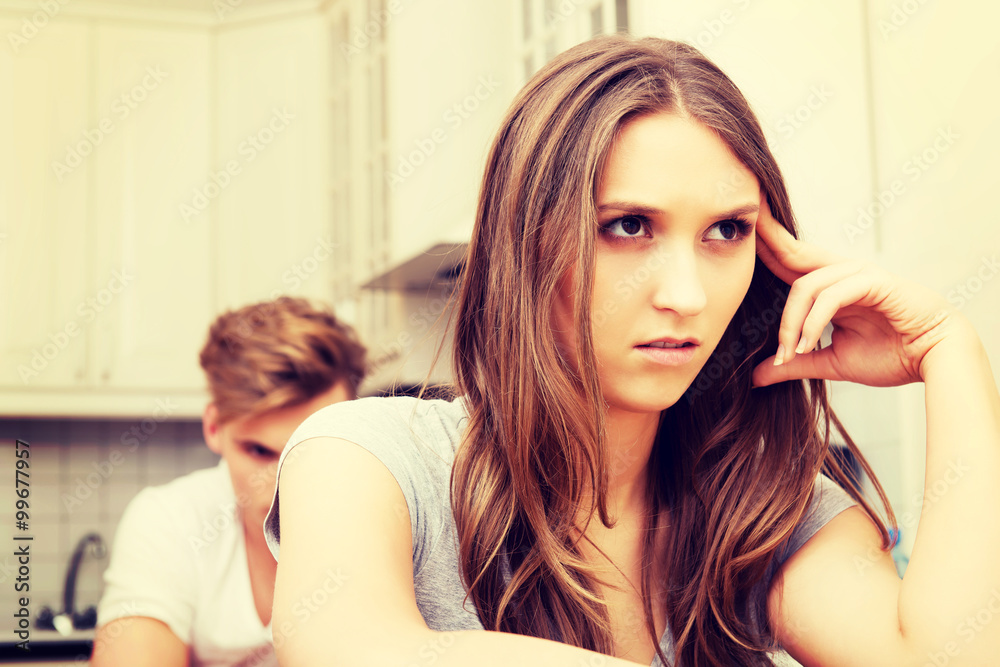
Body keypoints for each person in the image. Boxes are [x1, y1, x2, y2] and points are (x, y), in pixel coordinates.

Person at [264, 35, 1000, 667]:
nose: (686, 293)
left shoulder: (765, 510)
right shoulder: (368, 458)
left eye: (726, 231)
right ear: (525, 243)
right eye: (628, 226)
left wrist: (949, 351)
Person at [92, 297, 367, 666]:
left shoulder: (389, 524)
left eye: (311, 450)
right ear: (213, 427)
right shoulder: (170, 520)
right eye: (259, 451)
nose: (285, 488)